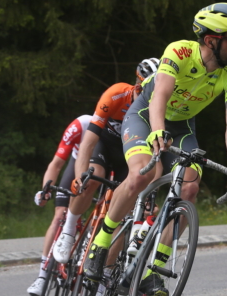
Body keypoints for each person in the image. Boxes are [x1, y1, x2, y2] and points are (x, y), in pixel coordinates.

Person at [81, 2, 227, 296]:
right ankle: (101, 244)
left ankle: (154, 268)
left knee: (190, 186)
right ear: (212, 39)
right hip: (146, 115)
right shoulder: (180, 51)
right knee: (142, 174)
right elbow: (159, 95)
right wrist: (157, 130)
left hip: (183, 127)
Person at [52, 58, 160, 266]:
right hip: (105, 146)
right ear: (138, 86)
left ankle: (105, 274)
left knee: (124, 211)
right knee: (91, 179)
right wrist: (79, 177)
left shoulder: (155, 109)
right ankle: (68, 231)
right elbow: (89, 141)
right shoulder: (116, 94)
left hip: (130, 155)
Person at [26, 114, 92, 296]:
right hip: (76, 164)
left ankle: (83, 265)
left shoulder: (116, 129)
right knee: (59, 216)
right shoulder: (80, 124)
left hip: (99, 168)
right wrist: (45, 190)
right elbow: (56, 164)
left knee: (96, 219)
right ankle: (42, 275)